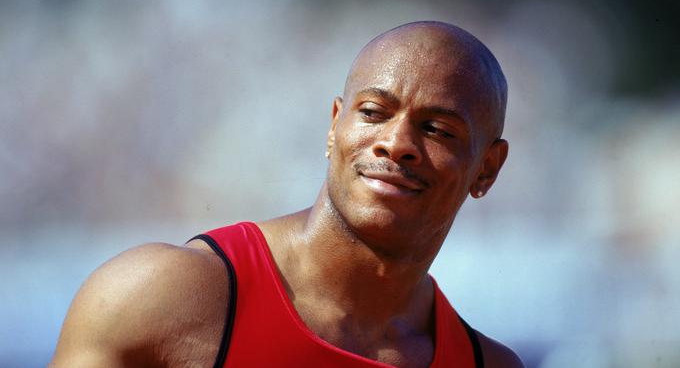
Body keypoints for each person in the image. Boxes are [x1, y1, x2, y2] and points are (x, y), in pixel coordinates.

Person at [49, 21, 525, 367]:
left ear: (487, 169)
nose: (396, 143)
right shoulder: (158, 298)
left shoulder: (485, 363)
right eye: (374, 112)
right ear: (334, 126)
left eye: (437, 129)